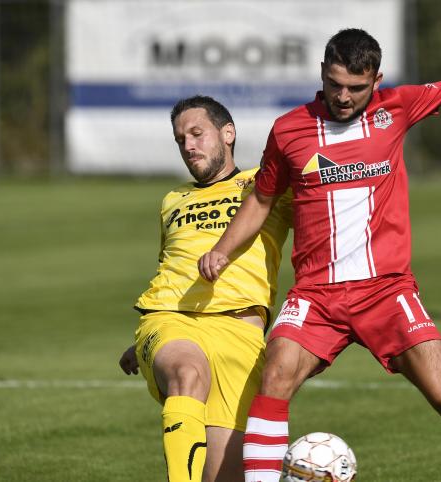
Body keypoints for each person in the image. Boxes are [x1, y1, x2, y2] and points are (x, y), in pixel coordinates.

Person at [198, 11, 441, 482]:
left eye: (355, 88)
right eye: (334, 84)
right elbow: (261, 199)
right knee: (274, 377)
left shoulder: (396, 108)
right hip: (316, 295)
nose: (343, 96)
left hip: (387, 290)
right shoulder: (289, 130)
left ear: (376, 81)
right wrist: (223, 249)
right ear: (322, 72)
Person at [117, 95, 291, 482]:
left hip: (241, 335)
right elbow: (172, 270)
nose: (188, 146)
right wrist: (148, 344)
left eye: (197, 134)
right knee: (187, 372)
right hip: (171, 320)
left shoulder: (266, 184)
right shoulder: (173, 200)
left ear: (228, 133)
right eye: (181, 139)